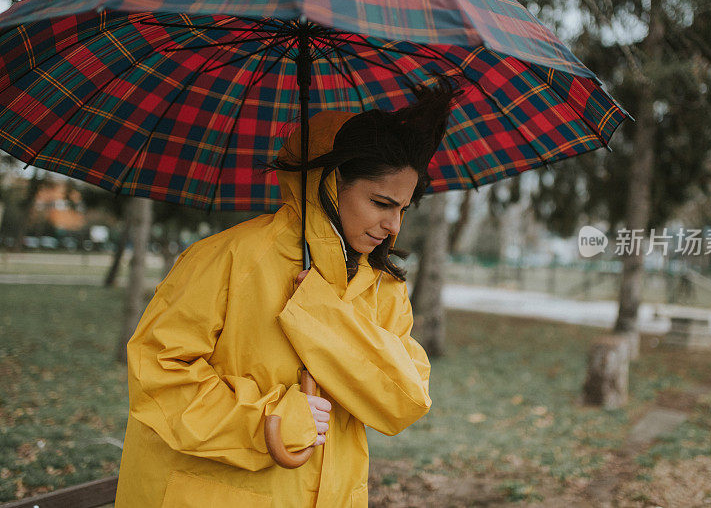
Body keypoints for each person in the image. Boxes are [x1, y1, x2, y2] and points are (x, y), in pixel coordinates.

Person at [114, 76, 462, 507]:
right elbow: (157, 375)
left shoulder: (383, 286)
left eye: (403, 209)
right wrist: (268, 423)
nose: (394, 226)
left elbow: (404, 400)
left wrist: (326, 319)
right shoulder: (226, 258)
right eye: (381, 203)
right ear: (329, 183)